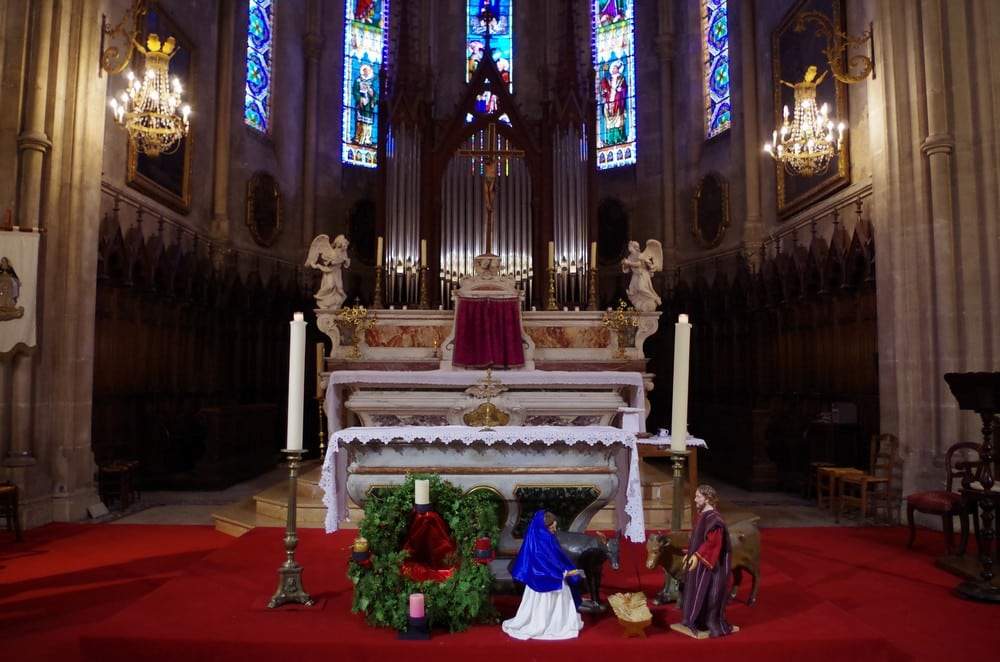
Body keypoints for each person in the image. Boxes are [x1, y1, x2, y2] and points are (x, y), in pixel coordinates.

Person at [502, 511, 584, 641]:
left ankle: (554, 622)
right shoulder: (541, 541)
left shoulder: (542, 537)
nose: (554, 530)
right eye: (552, 528)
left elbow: (555, 559)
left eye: (555, 527)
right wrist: (564, 573)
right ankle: (551, 624)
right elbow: (542, 564)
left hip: (548, 578)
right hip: (547, 580)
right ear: (544, 527)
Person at [673, 485, 738, 638]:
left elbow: (712, 543)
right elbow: (698, 539)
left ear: (707, 498)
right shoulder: (703, 515)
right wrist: (690, 554)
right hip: (700, 561)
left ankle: (708, 621)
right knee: (695, 589)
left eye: (698, 497)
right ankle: (694, 619)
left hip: (711, 565)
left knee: (709, 592)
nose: (695, 500)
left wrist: (697, 555)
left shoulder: (714, 520)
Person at [600, 60, 628, 146]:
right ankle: (610, 139)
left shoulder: (621, 78)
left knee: (619, 119)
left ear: (618, 69)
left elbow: (624, 88)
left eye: (615, 68)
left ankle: (619, 138)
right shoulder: (609, 79)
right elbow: (605, 87)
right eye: (612, 68)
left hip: (618, 101)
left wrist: (620, 90)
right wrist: (604, 71)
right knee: (608, 120)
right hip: (609, 102)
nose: (613, 69)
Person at [352, 64, 377, 145]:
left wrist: (372, 95)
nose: (366, 72)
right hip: (361, 104)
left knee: (368, 122)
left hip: (369, 106)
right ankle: (358, 138)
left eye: (368, 70)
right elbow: (355, 91)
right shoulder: (358, 80)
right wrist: (360, 99)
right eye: (364, 70)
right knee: (359, 121)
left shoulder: (373, 81)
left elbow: (377, 93)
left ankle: (367, 139)